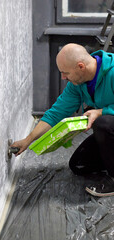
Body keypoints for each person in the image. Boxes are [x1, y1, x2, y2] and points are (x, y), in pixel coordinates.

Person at [11, 43, 114, 197]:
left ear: (80, 66)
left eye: (65, 73)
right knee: (79, 165)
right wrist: (28, 139)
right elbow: (56, 112)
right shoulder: (78, 83)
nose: (63, 77)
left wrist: (101, 111)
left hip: (109, 125)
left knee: (103, 123)